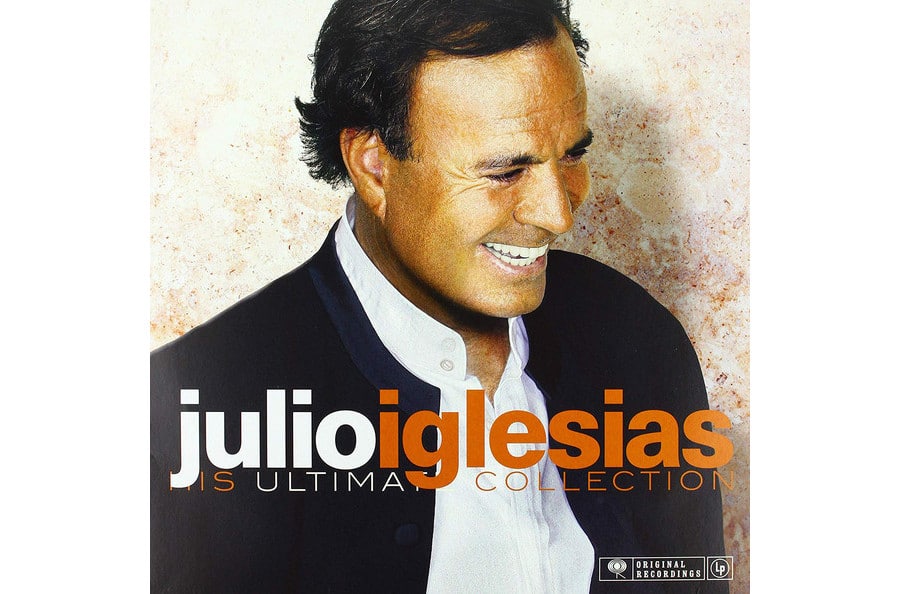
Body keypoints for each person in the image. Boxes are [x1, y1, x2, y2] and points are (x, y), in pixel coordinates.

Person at [150, 1, 727, 592]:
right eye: (505, 172)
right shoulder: (193, 414)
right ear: (373, 166)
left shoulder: (637, 337)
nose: (558, 214)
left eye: (572, 154)